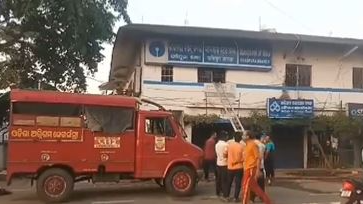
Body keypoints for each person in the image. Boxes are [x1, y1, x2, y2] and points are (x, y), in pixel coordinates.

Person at [242, 130, 272, 204]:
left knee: (245, 187)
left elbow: (258, 158)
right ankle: (268, 201)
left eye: (244, 135)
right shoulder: (246, 145)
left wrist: (258, 170)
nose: (242, 136)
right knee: (255, 188)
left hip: (251, 168)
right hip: (247, 168)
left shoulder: (253, 145)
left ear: (248, 136)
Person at [226, 133, 244, 202]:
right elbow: (243, 158)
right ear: (240, 139)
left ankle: (227, 196)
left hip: (230, 167)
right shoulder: (242, 147)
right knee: (238, 183)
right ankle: (235, 197)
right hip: (239, 167)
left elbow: (225, 153)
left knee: (229, 182)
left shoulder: (229, 146)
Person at [250, 135, 266, 202]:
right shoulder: (262, 145)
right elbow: (261, 157)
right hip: (260, 167)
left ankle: (252, 198)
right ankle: (262, 197)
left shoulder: (250, 145)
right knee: (261, 184)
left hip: (252, 167)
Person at [215, 130, 229, 201]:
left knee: (218, 179)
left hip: (218, 163)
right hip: (225, 164)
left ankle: (217, 192)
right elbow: (226, 154)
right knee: (224, 180)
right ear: (225, 137)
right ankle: (225, 194)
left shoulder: (217, 144)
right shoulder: (226, 145)